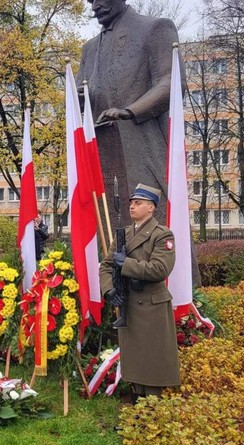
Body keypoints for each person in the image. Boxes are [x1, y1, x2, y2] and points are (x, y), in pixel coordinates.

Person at [77, 0, 181, 226]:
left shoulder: (155, 28)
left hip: (142, 146)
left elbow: (171, 81)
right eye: (90, 1)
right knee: (107, 227)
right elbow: (82, 94)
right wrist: (78, 98)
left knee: (155, 227)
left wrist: (130, 111)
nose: (94, 7)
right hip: (101, 151)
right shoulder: (89, 49)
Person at [99, 184, 180, 402]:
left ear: (151, 207)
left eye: (138, 203)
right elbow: (106, 265)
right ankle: (137, 397)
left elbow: (160, 269)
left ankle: (153, 403)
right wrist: (109, 290)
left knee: (152, 357)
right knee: (135, 356)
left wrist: (126, 263)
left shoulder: (162, 235)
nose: (132, 206)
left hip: (151, 305)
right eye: (131, 203)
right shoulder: (124, 234)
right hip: (129, 302)